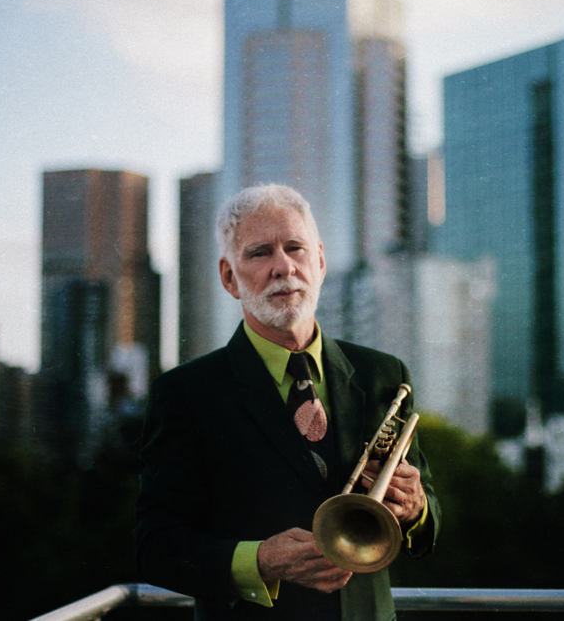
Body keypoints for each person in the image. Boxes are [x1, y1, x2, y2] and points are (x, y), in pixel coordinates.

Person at [135, 184, 439, 620]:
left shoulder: (384, 375)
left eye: (295, 248)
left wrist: (416, 508)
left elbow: (430, 524)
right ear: (228, 277)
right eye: (259, 253)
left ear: (319, 261)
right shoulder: (184, 394)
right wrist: (259, 562)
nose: (283, 267)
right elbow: (155, 547)